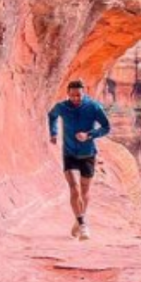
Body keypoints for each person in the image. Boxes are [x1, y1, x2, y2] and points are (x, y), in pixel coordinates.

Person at [48, 80, 111, 240]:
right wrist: (54, 133)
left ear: (84, 93)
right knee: (74, 188)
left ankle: (78, 218)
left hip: (88, 153)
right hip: (69, 152)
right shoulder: (62, 107)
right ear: (68, 93)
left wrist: (89, 135)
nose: (77, 98)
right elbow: (52, 115)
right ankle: (83, 225)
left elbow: (106, 127)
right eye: (74, 95)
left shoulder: (93, 107)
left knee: (85, 190)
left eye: (79, 95)